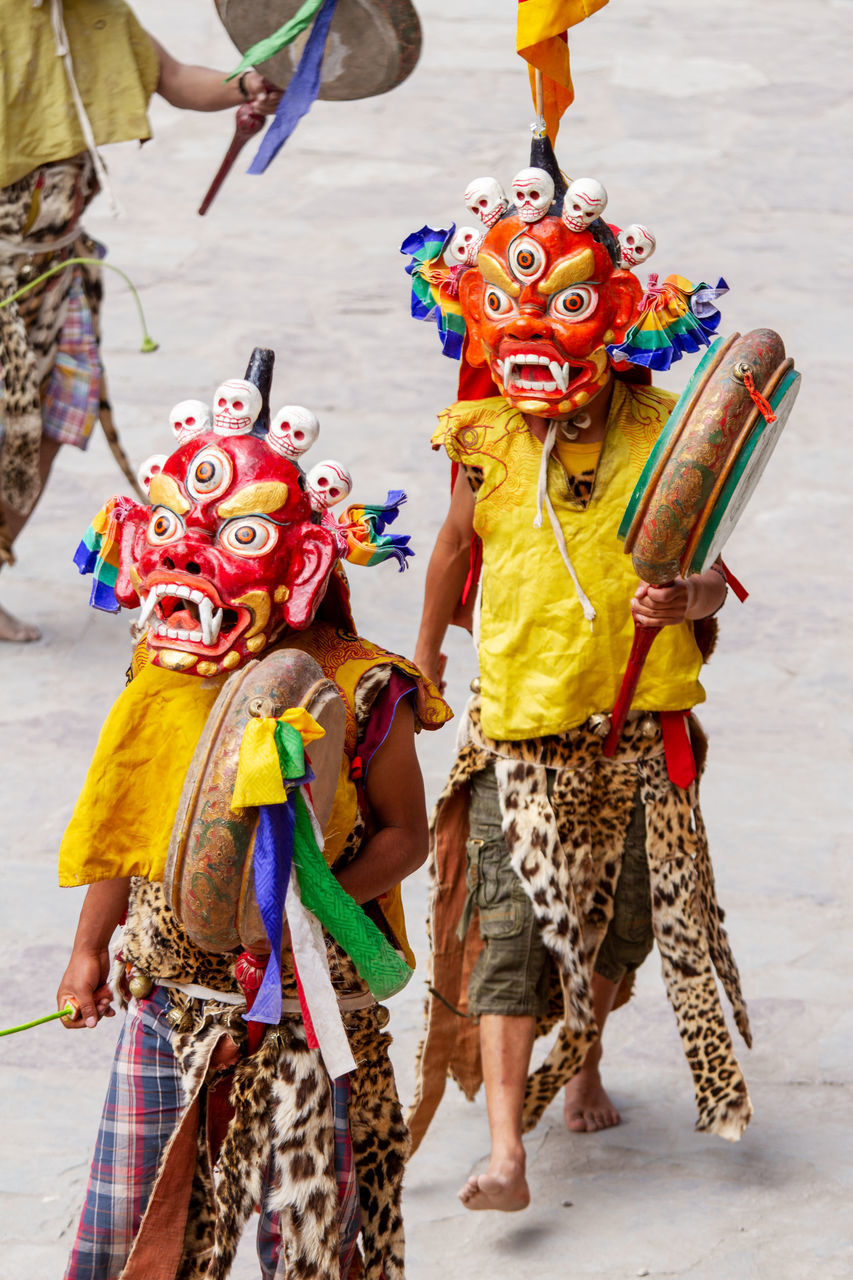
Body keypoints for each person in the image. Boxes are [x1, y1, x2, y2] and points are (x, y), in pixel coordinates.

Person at [404, 147, 753, 1211]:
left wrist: (684, 602)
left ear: (614, 319)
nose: (526, 340)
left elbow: (714, 583)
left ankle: (588, 1058)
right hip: (518, 734)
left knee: (623, 928)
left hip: (643, 733)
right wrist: (423, 657)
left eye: (554, 308)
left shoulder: (668, 438)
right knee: (509, 939)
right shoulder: (483, 437)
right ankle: (506, 1152)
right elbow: (455, 551)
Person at [54, 355, 450, 1278]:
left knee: (302, 1242)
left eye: (229, 536)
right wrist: (86, 951)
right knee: (134, 1223)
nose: (188, 562)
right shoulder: (164, 664)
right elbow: (128, 817)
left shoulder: (363, 686)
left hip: (310, 1004)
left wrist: (297, 913)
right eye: (173, 534)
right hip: (171, 993)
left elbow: (405, 836)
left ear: (301, 564)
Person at [0, 0, 282, 642]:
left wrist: (249, 83)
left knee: (54, 422)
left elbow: (178, 80)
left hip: (56, 267)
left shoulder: (94, 14)